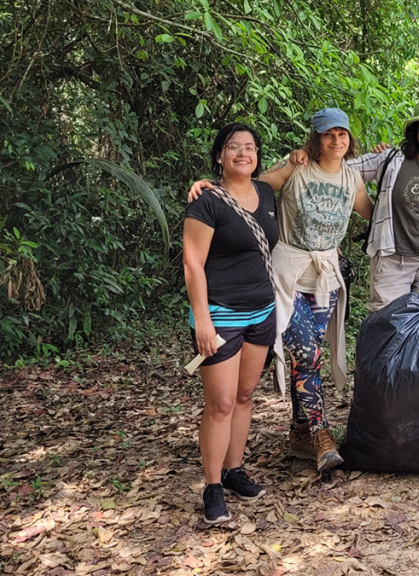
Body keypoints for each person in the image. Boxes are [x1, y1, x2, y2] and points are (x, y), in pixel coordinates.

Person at [188, 109, 374, 472]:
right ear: (315, 138)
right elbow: (251, 188)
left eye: (342, 134)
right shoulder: (296, 168)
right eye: (328, 134)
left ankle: (300, 430)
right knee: (305, 352)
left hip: (326, 281)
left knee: (309, 357)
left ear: (350, 140)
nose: (336, 141)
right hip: (287, 277)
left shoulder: (353, 180)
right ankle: (320, 434)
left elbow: (379, 215)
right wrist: (209, 185)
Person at [183, 123, 278, 524]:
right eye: (233, 147)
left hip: (262, 311)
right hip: (219, 315)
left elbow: (299, 164)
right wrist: (202, 320)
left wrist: (303, 156)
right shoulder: (206, 201)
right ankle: (212, 486)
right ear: (219, 155)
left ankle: (234, 470)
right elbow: (192, 262)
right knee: (219, 403)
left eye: (251, 148)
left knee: (244, 395)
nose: (243, 153)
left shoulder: (267, 191)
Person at [337, 99, 419, 311]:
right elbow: (340, 171)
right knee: (389, 326)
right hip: (392, 260)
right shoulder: (391, 160)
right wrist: (307, 156)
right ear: (415, 132)